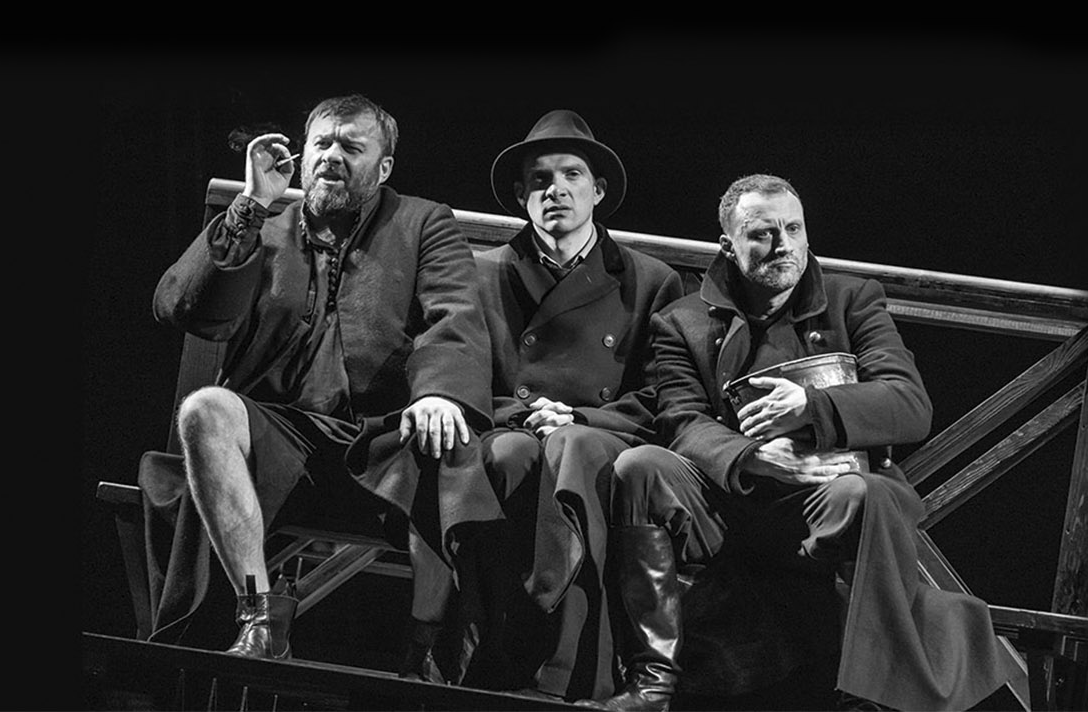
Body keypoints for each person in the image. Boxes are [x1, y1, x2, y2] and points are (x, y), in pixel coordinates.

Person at [604, 174, 1024, 711]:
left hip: (822, 501)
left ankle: (865, 699)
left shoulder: (851, 300)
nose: (783, 244)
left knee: (866, 494)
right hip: (730, 500)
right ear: (728, 246)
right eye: (762, 233)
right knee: (640, 466)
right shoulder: (681, 322)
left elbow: (909, 404)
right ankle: (653, 683)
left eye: (793, 229)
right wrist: (753, 457)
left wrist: (811, 407)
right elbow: (681, 421)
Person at [139, 94, 499, 681]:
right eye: (321, 144)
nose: (332, 156)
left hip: (381, 439)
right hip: (279, 435)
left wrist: (438, 392)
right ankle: (258, 620)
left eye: (352, 147)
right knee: (204, 409)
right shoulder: (263, 224)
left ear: (383, 167)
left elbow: (453, 313)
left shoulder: (422, 222)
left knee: (449, 436)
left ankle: (425, 648)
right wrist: (252, 203)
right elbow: (183, 308)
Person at [461, 110, 685, 703]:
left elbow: (660, 394)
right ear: (521, 195)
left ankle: (566, 671)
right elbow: (460, 370)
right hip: (513, 424)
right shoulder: (481, 274)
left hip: (599, 433)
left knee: (575, 447)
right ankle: (491, 657)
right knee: (506, 456)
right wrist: (524, 414)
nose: (555, 189)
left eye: (571, 175)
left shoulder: (650, 280)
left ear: (598, 191)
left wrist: (580, 417)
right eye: (540, 179)